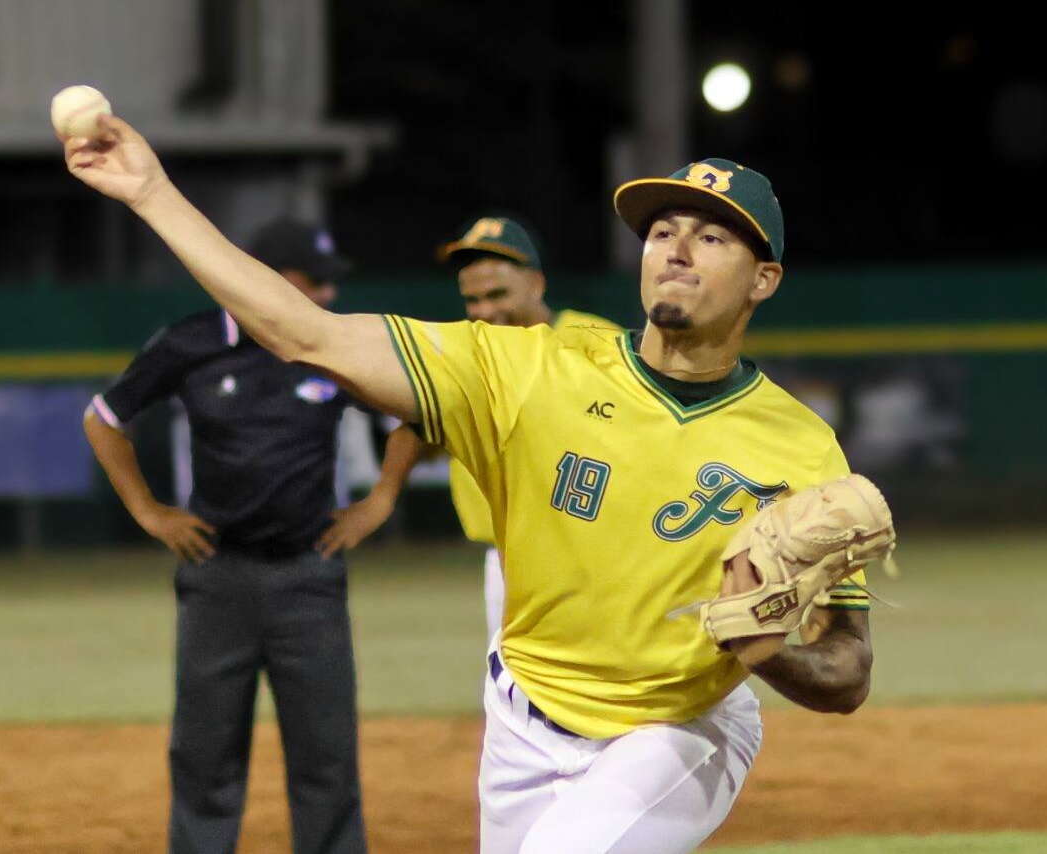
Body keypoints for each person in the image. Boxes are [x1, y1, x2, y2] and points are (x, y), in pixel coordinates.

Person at [65, 119, 874, 854]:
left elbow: (847, 672)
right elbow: (304, 332)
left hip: (677, 730)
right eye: (662, 230)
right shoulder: (525, 372)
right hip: (521, 720)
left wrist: (767, 650)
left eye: (711, 237)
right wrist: (152, 193)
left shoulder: (801, 448)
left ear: (763, 279)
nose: (675, 248)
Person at [82, 217, 367, 854]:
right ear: (265, 279)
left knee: (326, 758)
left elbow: (418, 415)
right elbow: (104, 420)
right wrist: (151, 513)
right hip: (218, 578)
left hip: (309, 576)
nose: (326, 295)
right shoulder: (193, 343)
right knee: (205, 756)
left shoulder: (337, 344)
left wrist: (377, 504)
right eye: (314, 281)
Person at [318, 215, 620, 646]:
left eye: (497, 294)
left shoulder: (596, 342)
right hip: (507, 562)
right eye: (472, 300)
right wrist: (383, 495)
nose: (485, 311)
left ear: (536, 284)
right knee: (515, 697)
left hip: (594, 553)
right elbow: (419, 422)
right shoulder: (471, 353)